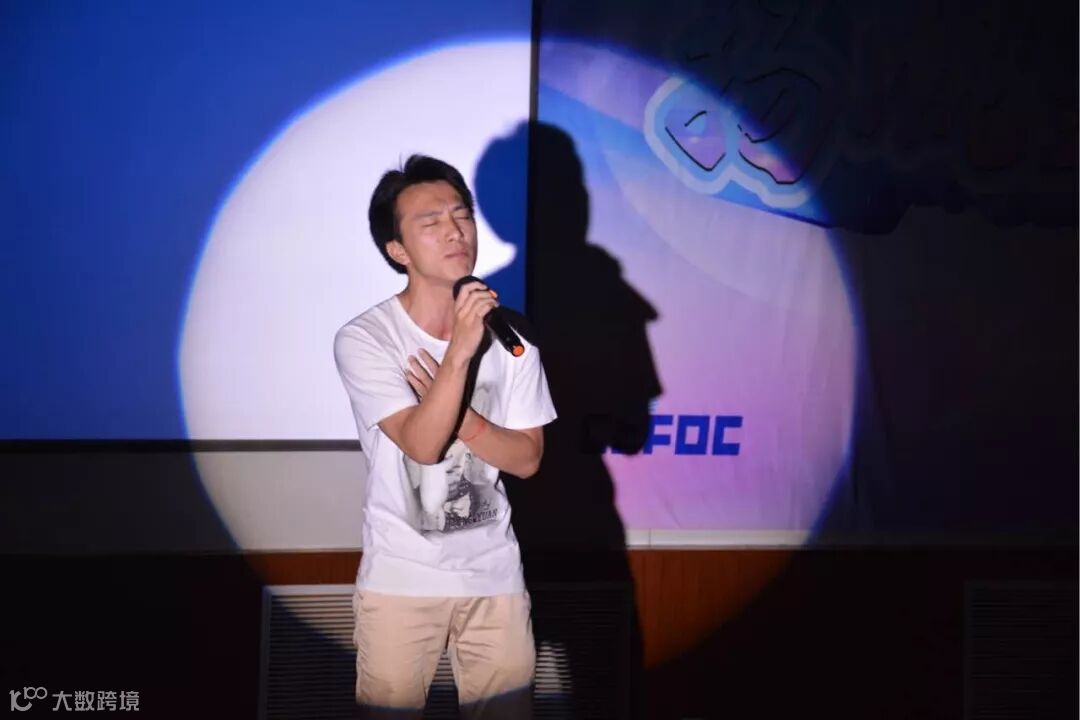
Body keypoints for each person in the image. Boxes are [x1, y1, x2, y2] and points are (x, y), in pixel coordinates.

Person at [333, 154, 556, 719]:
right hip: (401, 579)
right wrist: (459, 350)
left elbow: (527, 459)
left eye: (462, 215)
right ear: (398, 250)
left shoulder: (512, 335)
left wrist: (468, 420)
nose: (455, 231)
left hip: (495, 576)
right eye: (431, 222)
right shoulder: (367, 338)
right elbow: (422, 444)